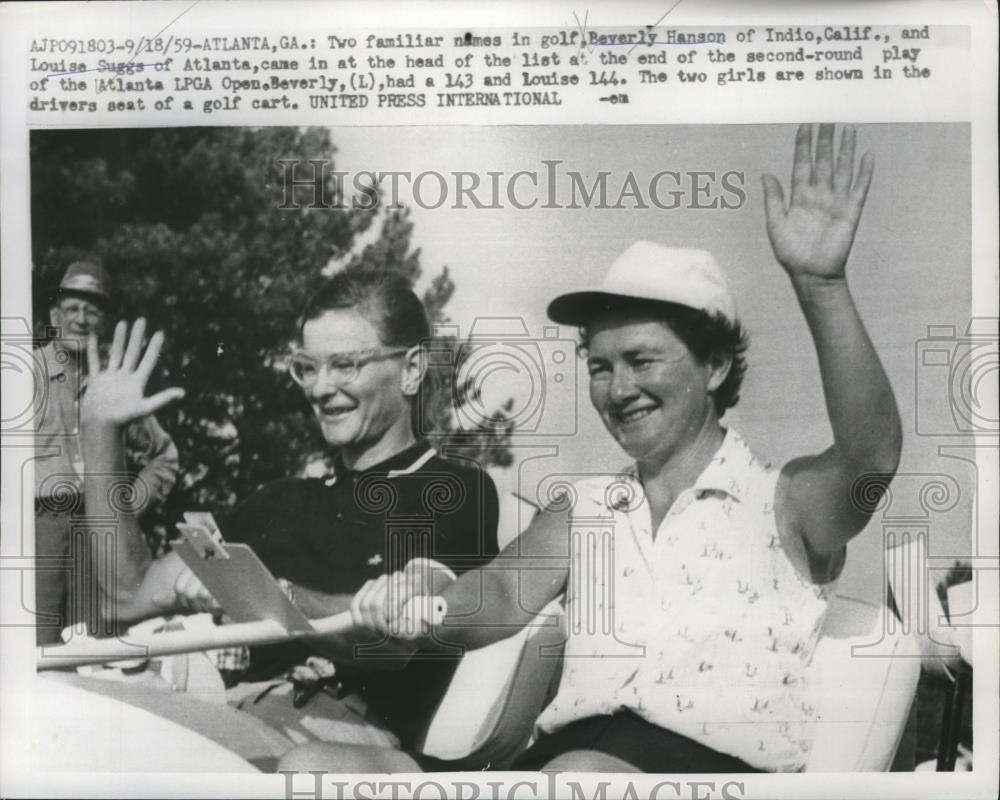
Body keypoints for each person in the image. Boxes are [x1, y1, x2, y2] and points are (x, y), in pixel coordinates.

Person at [279, 123, 903, 773]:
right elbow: (492, 599)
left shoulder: (788, 502)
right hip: (560, 763)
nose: (618, 388)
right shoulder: (584, 510)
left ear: (714, 366)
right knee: (315, 770)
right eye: (599, 366)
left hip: (699, 773)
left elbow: (872, 460)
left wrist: (821, 286)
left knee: (575, 778)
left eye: (640, 360)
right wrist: (417, 599)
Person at [74, 265, 500, 750]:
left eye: (345, 365)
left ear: (412, 368)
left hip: (341, 741)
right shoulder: (278, 502)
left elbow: (393, 636)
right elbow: (126, 595)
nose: (319, 388)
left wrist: (263, 596)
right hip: (238, 716)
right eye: (307, 367)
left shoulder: (452, 489)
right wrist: (100, 434)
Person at [33, 261, 179, 644]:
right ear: (53, 316)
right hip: (36, 537)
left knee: (96, 655)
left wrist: (124, 505)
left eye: (92, 310)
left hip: (99, 541)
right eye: (72, 309)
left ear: (104, 322)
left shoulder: (114, 388)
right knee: (34, 652)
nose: (81, 319)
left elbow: (165, 458)